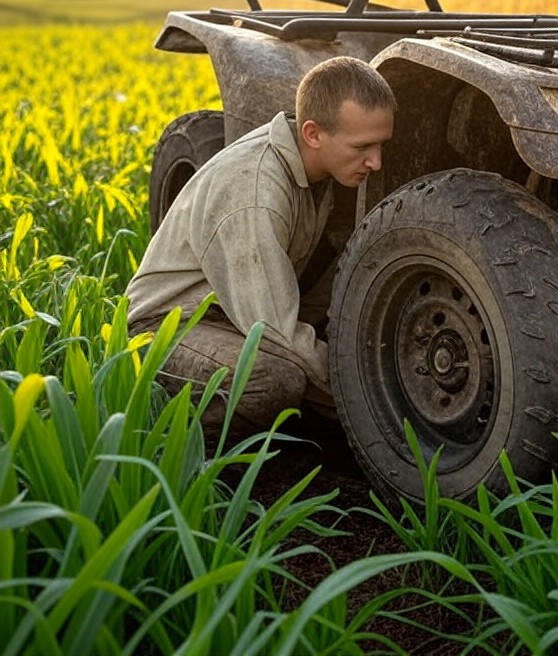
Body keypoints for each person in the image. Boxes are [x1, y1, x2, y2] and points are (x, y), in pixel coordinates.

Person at [126, 56, 395, 435]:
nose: (376, 162)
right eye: (362, 146)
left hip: (235, 311)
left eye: (381, 144)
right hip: (170, 327)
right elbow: (273, 330)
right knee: (273, 381)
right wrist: (370, 403)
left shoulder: (316, 163)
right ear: (313, 134)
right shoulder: (254, 190)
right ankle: (187, 455)